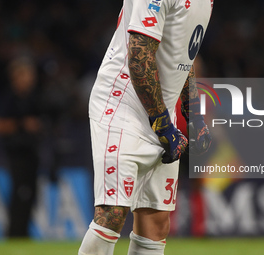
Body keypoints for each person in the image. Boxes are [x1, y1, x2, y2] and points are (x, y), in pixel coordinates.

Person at [79, 0, 213, 254]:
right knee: (113, 214)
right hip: (122, 105)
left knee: (156, 221)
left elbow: (182, 56)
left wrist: (193, 114)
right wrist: (163, 124)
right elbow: (139, 56)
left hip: (162, 109)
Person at [0, 57, 42, 237]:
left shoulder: (33, 98)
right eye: (25, 75)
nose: (29, 79)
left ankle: (24, 231)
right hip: (15, 154)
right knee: (20, 193)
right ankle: (15, 233)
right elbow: (2, 125)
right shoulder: (8, 98)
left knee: (31, 194)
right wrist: (23, 124)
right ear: (15, 77)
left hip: (31, 151)